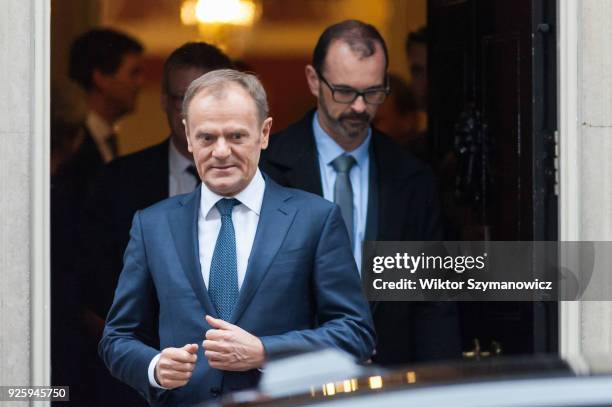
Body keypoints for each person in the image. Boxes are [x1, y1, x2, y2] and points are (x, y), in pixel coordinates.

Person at [99, 69, 375, 405]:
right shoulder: (152, 224)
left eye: (236, 137)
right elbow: (118, 337)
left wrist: (263, 352)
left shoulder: (314, 219)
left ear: (264, 133)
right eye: (206, 138)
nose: (221, 152)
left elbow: (355, 333)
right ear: (187, 136)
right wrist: (155, 367)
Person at [260, 19, 460, 365]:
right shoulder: (265, 170)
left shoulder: (412, 177)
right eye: (344, 91)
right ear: (313, 81)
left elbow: (433, 300)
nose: (359, 107)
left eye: (372, 93)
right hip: (288, 377)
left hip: (389, 379)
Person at [78, 42, 232, 406]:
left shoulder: (273, 186)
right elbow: (92, 292)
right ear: (163, 100)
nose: (191, 115)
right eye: (182, 99)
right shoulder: (117, 183)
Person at [68, 28, 144, 190]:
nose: (140, 84)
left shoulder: (104, 139)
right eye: (133, 73)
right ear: (101, 78)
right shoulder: (72, 142)